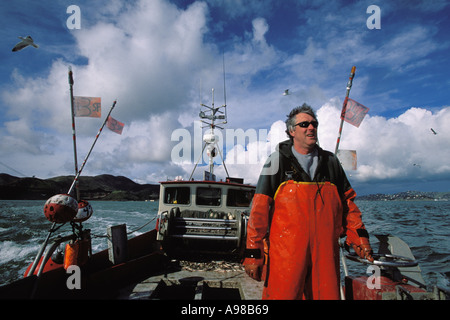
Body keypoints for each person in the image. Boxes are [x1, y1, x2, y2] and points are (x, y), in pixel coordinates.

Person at [243, 103, 373, 300]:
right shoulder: (276, 161)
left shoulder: (331, 162)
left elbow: (349, 206)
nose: (311, 128)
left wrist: (360, 238)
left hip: (325, 256)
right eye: (304, 124)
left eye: (314, 124)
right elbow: (259, 210)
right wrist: (253, 253)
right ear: (291, 131)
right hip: (285, 255)